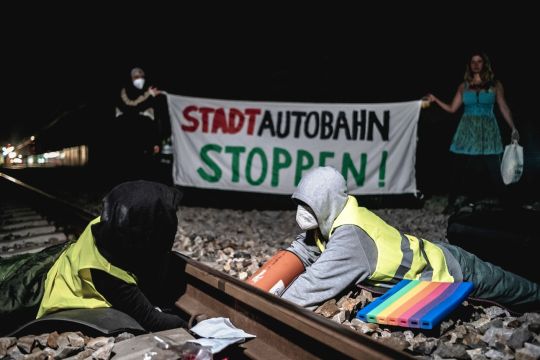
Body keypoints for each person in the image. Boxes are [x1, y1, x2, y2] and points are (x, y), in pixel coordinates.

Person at [280, 166, 539, 311]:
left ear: (328, 204)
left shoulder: (351, 238)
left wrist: (260, 304)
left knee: (527, 294)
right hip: (436, 255)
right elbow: (304, 248)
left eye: (310, 204)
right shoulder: (337, 215)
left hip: (453, 270)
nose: (302, 212)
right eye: (300, 202)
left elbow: (309, 288)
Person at [0, 181, 189, 335]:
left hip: (54, 262)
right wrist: (188, 324)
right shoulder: (110, 276)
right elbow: (152, 319)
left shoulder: (111, 224)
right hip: (41, 293)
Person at [426, 52, 519, 212]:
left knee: (495, 168)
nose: (476, 64)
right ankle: (451, 203)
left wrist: (513, 128)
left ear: (485, 64)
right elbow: (452, 108)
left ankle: (508, 204)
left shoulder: (495, 85)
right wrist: (435, 100)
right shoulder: (464, 86)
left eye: (479, 61)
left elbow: (503, 106)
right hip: (466, 130)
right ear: (469, 65)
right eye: (473, 62)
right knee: (458, 169)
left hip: (487, 130)